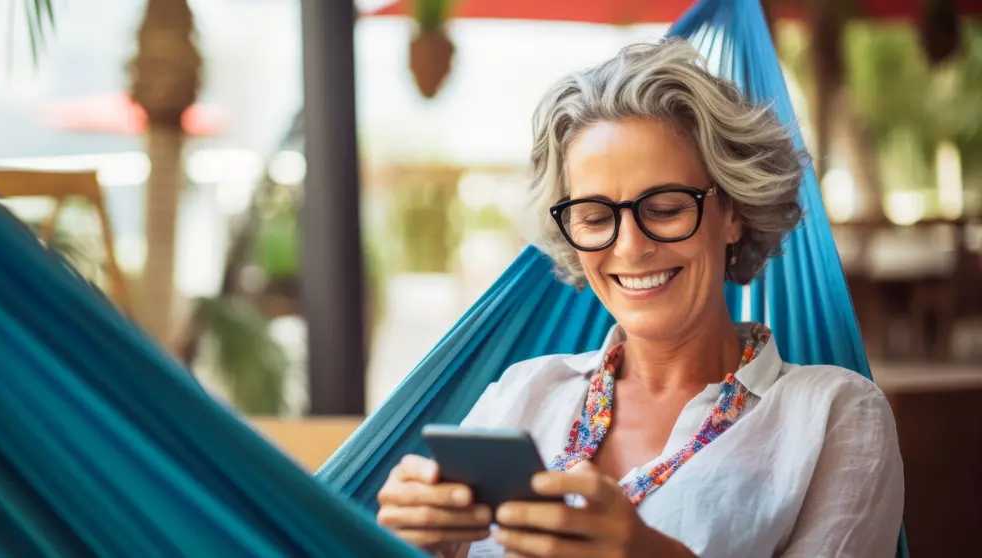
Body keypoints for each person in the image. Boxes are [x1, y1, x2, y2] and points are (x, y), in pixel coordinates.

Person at [375, 38, 904, 558]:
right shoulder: (522, 394)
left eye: (667, 208)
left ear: (734, 212)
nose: (629, 247)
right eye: (597, 217)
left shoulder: (832, 415)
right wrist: (419, 545)